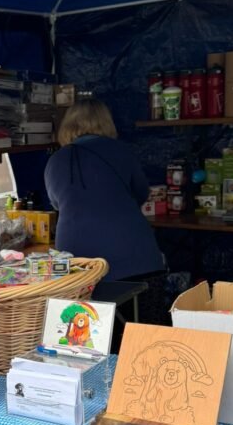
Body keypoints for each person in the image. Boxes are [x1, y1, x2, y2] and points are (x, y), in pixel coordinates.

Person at [44, 99, 168, 326]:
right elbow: (141, 192)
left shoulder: (55, 160)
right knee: (146, 332)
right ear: (106, 123)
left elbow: (57, 205)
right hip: (135, 257)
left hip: (79, 265)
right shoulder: (121, 151)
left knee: (84, 334)